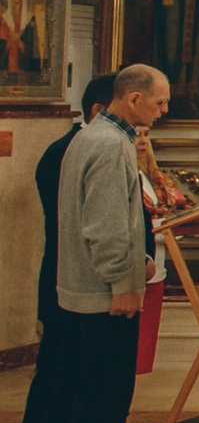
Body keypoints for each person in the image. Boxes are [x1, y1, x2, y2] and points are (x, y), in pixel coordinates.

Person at [16, 65, 170, 423]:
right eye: (159, 101)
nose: (165, 110)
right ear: (134, 99)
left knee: (75, 391)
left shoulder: (96, 137)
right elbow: (103, 228)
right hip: (103, 297)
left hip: (84, 289)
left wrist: (135, 264)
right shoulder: (108, 144)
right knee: (100, 399)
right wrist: (124, 283)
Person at [36, 75, 120, 331]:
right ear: (98, 110)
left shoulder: (115, 147)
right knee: (65, 364)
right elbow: (76, 222)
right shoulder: (60, 153)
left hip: (102, 285)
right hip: (75, 284)